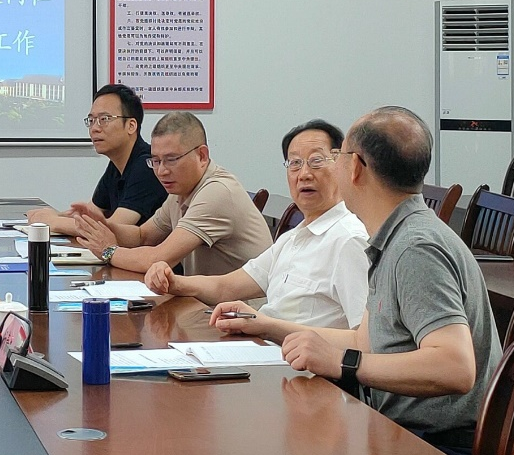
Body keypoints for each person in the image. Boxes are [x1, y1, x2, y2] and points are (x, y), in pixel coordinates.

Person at [211, 106, 502, 455]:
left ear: (356, 168)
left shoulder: (415, 248)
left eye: (339, 157)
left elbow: (455, 367)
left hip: (438, 449)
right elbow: (365, 342)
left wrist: (343, 363)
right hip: (401, 431)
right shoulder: (392, 236)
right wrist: (266, 326)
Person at [145, 119, 369, 328]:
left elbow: (363, 341)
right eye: (294, 163)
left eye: (316, 161)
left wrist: (265, 325)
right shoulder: (293, 238)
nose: (304, 174)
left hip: (292, 356)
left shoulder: (349, 241)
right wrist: (173, 282)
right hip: (265, 347)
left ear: (343, 166)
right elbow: (226, 287)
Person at [73, 111, 271, 275]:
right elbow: (143, 236)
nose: (161, 171)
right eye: (156, 161)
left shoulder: (217, 193)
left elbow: (158, 258)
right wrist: (103, 225)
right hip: (208, 303)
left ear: (202, 155)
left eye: (171, 159)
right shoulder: (180, 191)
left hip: (243, 308)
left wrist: (108, 251)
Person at [26, 84, 166, 233]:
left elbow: (111, 228)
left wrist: (53, 221)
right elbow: (92, 214)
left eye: (104, 119)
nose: (94, 128)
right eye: (91, 120)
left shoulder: (147, 166)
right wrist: (56, 216)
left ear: (131, 126)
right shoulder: (116, 166)